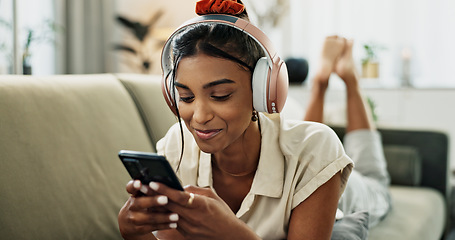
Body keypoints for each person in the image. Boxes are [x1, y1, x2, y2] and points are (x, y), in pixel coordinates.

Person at [117, 1, 353, 239]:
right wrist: (133, 232)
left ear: (263, 91)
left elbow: (314, 156)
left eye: (220, 96)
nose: (199, 117)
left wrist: (230, 232)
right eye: (186, 97)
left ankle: (334, 81)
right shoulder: (176, 149)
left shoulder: (318, 150)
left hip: (347, 197)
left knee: (372, 174)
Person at [304, 35, 391, 228]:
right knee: (377, 184)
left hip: (314, 178)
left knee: (304, 156)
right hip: (347, 191)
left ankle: (322, 85)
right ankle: (347, 82)